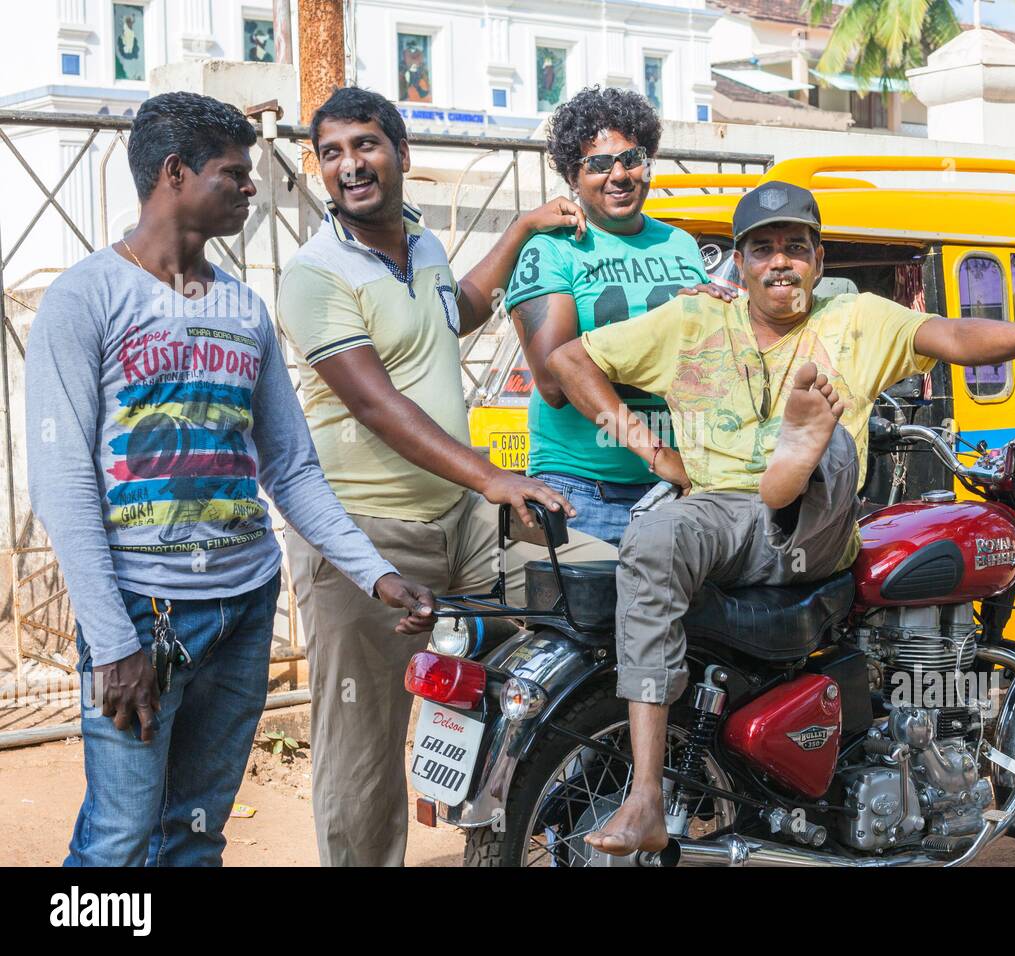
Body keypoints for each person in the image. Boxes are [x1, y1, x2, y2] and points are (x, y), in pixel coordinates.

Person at [547, 181, 1015, 855]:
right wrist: (651, 448)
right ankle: (646, 792)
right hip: (721, 512)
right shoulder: (691, 321)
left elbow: (953, 335)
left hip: (813, 528)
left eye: (795, 248)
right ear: (740, 263)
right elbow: (569, 360)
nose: (780, 262)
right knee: (654, 531)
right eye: (763, 249)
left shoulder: (858, 320)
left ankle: (800, 455)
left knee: (835, 453)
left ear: (819, 263)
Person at [25, 92, 437, 867]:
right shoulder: (87, 298)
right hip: (142, 614)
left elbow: (289, 468)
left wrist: (376, 573)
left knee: (195, 833)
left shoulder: (242, 308)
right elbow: (61, 482)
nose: (252, 188)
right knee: (119, 838)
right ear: (176, 173)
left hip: (243, 608)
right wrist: (114, 642)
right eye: (235, 174)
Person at [276, 87, 614, 867]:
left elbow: (456, 308)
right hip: (364, 533)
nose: (349, 165)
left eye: (364, 145)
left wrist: (524, 229)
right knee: (361, 751)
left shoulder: (420, 245)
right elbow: (374, 402)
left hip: (458, 519)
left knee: (580, 606)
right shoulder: (316, 272)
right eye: (331, 153)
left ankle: (526, 815)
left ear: (401, 152)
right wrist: (492, 477)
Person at [505, 86, 729, 545]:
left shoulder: (681, 246)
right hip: (584, 494)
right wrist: (669, 319)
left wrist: (712, 318)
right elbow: (554, 382)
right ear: (573, 174)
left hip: (676, 488)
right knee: (596, 618)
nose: (620, 175)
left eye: (632, 158)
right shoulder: (551, 250)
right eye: (599, 164)